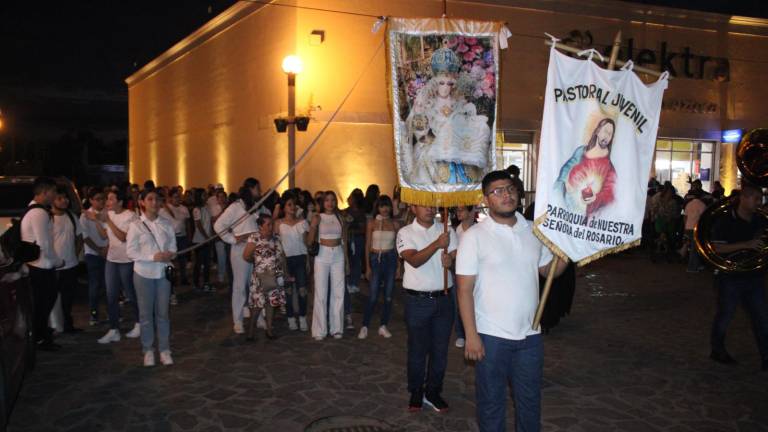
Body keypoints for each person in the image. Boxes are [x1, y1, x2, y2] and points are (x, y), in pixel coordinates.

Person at [457, 170, 568, 431]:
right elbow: (464, 290)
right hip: (491, 336)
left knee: (530, 402)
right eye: (497, 191)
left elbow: (548, 270)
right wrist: (471, 335)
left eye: (510, 189)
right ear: (486, 199)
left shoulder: (533, 231)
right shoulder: (474, 236)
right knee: (491, 403)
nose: (506, 194)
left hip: (531, 334)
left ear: (517, 193)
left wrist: (567, 252)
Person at [397, 203, 457, 412]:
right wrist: (437, 244)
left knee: (440, 351)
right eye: (424, 205)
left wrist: (451, 261)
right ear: (413, 208)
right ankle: (416, 390)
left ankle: (433, 391)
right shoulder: (405, 232)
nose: (430, 209)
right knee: (418, 350)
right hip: (418, 301)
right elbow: (413, 260)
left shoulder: (446, 228)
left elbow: (457, 257)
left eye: (433, 205)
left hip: (444, 298)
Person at [709, 182, 768, 372]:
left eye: (761, 199)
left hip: (754, 276)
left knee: (762, 318)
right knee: (725, 316)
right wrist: (747, 244)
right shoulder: (725, 220)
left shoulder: (760, 220)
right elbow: (717, 247)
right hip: (730, 276)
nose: (759, 203)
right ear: (744, 198)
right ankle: (717, 350)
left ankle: (766, 358)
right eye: (756, 199)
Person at [126, 189, 177, 367]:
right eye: (150, 199)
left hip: (163, 272)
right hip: (143, 273)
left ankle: (164, 349)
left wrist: (170, 254)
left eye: (157, 199)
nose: (154, 203)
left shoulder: (166, 223)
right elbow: (131, 251)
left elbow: (173, 246)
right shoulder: (136, 225)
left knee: (163, 313)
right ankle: (148, 349)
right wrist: (152, 257)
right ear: (142, 202)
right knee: (146, 314)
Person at [22, 177, 63, 351]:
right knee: (43, 303)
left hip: (37, 264)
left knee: (43, 303)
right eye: (53, 191)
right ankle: (41, 337)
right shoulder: (39, 213)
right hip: (42, 266)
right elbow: (44, 243)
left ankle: (41, 334)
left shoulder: (32, 210)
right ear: (45, 192)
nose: (55, 195)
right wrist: (57, 261)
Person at [213, 182, 259, 335]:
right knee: (239, 286)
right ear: (250, 189)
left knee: (255, 285)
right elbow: (218, 225)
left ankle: (257, 317)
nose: (259, 191)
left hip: (255, 248)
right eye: (256, 188)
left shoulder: (254, 206)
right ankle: (238, 321)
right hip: (240, 249)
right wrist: (233, 239)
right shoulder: (234, 207)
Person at [99, 189, 140, 344]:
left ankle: (139, 323)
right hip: (112, 259)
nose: (107, 202)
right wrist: (98, 220)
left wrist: (108, 221)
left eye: (110, 199)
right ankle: (114, 329)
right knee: (111, 295)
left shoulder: (130, 216)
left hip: (126, 260)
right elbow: (105, 235)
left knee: (131, 293)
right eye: (107, 199)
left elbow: (123, 237)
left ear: (120, 201)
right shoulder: (109, 214)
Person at [554, 118, 617, 219]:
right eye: (605, 131)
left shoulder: (609, 167)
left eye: (610, 134)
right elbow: (566, 170)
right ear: (597, 131)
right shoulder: (581, 152)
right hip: (566, 215)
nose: (607, 136)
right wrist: (566, 182)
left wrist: (595, 198)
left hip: (584, 219)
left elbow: (610, 194)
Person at [308, 191, 348, 340]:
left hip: (338, 254)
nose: (330, 203)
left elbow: (344, 239)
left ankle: (336, 328)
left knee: (338, 292)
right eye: (327, 200)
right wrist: (313, 226)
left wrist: (346, 261)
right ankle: (320, 330)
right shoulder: (318, 217)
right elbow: (309, 240)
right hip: (322, 256)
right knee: (321, 292)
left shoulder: (340, 218)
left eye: (332, 200)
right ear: (322, 203)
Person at [359, 195, 399, 339]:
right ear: (378, 207)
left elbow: (397, 247)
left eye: (387, 205)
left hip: (391, 259)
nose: (385, 209)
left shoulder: (394, 224)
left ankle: (383, 325)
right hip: (376, 259)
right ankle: (365, 325)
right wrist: (367, 267)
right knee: (373, 295)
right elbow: (367, 245)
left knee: (388, 296)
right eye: (382, 206)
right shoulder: (371, 223)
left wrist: (399, 267)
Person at [243, 214, 287, 340]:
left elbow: (282, 256)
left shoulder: (276, 238)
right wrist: (259, 263)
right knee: (257, 305)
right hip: (260, 278)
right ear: (260, 226)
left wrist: (284, 273)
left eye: (271, 224)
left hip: (274, 276)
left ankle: (269, 330)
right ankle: (250, 332)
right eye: (268, 224)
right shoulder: (254, 238)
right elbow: (246, 256)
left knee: (271, 304)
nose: (271, 227)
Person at [273, 193, 310, 332]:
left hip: (300, 258)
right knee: (288, 291)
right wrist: (281, 262)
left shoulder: (302, 222)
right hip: (286, 259)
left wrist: (307, 260)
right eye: (289, 204)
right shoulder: (279, 223)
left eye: (294, 204)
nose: (292, 207)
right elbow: (276, 244)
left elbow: (306, 242)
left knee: (302, 290)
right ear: (283, 207)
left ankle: (302, 317)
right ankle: (290, 318)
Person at [51, 186, 84, 333]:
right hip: (54, 266)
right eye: (60, 198)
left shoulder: (72, 217)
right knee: (51, 298)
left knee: (68, 297)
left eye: (65, 198)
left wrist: (75, 254)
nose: (64, 201)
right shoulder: (48, 218)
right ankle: (52, 326)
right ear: (52, 200)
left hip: (71, 264)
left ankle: (67, 324)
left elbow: (79, 238)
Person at [81, 188, 109, 326]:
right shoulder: (85, 216)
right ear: (91, 200)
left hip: (109, 253)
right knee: (95, 285)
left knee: (108, 285)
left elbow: (109, 234)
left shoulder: (107, 213)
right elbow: (85, 237)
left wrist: (107, 248)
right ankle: (94, 314)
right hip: (92, 254)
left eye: (103, 198)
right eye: (98, 199)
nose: (101, 202)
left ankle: (111, 312)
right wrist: (98, 249)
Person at [452, 205, 475, 348]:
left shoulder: (478, 229)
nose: (458, 213)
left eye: (461, 210)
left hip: (476, 273)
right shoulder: (456, 231)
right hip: (460, 273)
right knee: (459, 304)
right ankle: (461, 333)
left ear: (470, 211)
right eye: (456, 210)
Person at [160, 188, 191, 288]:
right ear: (170, 198)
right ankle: (172, 279)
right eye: (175, 197)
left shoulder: (184, 209)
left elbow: (187, 224)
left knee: (183, 259)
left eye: (179, 197)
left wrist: (189, 236)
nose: (178, 199)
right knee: (172, 260)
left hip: (182, 237)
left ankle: (183, 277)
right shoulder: (165, 209)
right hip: (171, 238)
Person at [191, 188, 213, 291]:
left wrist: (211, 234)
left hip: (207, 238)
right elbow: (199, 224)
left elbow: (210, 221)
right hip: (199, 239)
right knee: (199, 263)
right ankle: (195, 283)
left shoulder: (207, 207)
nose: (206, 196)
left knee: (207, 262)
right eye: (204, 195)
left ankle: (206, 283)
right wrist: (206, 237)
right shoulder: (197, 209)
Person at [683, 190, 707, 272]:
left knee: (690, 247)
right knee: (694, 249)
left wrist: (685, 227)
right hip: (695, 228)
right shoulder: (702, 205)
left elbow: (685, 217)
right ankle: (691, 268)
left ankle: (697, 265)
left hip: (688, 227)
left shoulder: (689, 204)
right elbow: (703, 219)